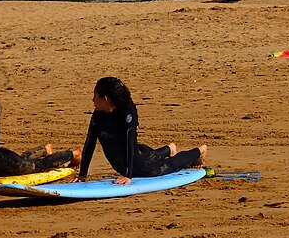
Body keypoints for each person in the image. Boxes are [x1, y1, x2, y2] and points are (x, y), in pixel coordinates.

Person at [76, 76, 206, 186]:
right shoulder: (98, 113)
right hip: (129, 158)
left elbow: (129, 142)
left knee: (168, 166)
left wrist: (127, 175)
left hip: (140, 164)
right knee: (151, 157)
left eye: (95, 95)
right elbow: (90, 142)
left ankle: (199, 151)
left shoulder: (127, 112)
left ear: (105, 99)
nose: (93, 99)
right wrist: (82, 174)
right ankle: (169, 149)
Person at [0, 88, 79, 182]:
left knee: (40, 166)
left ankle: (73, 154)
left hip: (8, 165)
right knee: (25, 160)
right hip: (3, 162)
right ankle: (45, 149)